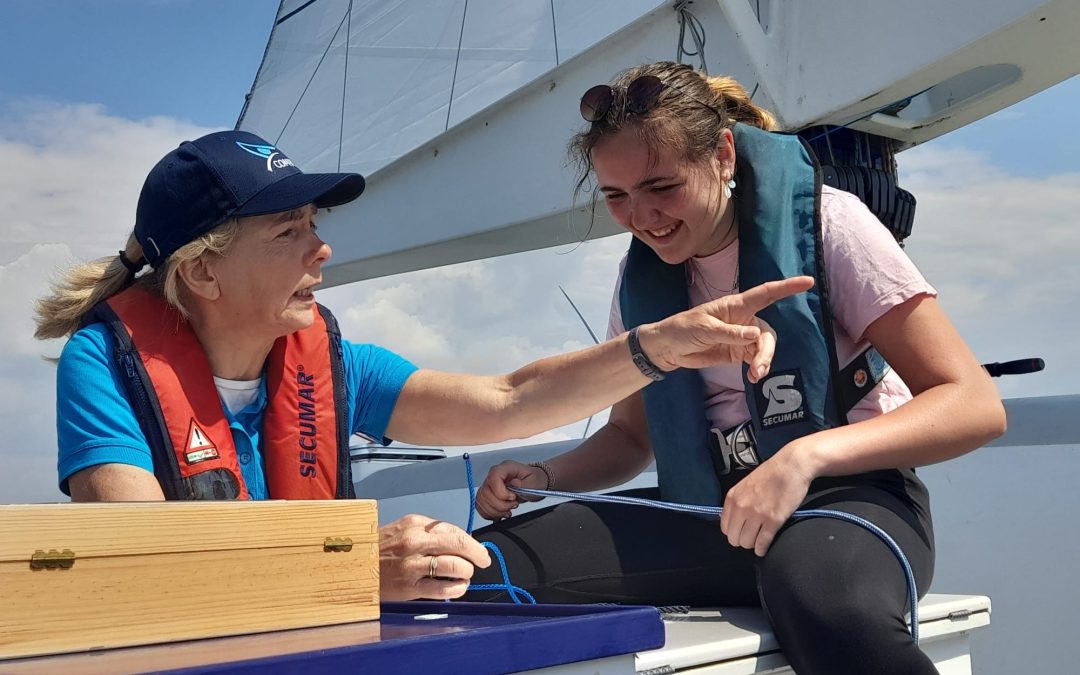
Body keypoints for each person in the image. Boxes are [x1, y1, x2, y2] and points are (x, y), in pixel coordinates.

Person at [33, 129, 811, 604]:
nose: (322, 248)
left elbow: (508, 399)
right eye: (287, 231)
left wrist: (656, 347)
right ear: (203, 272)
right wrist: (352, 571)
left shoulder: (334, 366)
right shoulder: (104, 367)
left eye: (316, 223)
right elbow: (140, 561)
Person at [472, 62, 1006, 674]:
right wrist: (545, 473)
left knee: (831, 606)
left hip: (847, 500)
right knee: (476, 575)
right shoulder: (641, 280)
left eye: (661, 186)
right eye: (616, 196)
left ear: (723, 154)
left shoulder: (831, 225)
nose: (642, 217)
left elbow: (972, 403)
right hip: (711, 511)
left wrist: (804, 458)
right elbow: (630, 435)